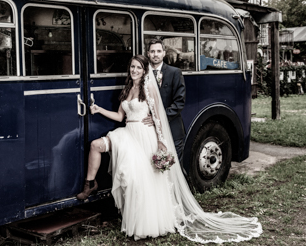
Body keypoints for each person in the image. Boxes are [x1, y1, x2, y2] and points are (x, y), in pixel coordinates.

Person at [76, 54, 262, 243]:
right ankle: (90, 184)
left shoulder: (148, 88)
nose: (134, 71)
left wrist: (161, 141)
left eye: (139, 68)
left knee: (140, 180)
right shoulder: (128, 88)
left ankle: (145, 224)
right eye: (132, 67)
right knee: (97, 147)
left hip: (144, 135)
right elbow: (118, 116)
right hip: (128, 132)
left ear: (145, 70)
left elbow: (157, 117)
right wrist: (99, 109)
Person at [144, 39, 186, 172]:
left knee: (174, 168)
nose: (155, 54)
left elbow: (179, 102)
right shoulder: (142, 73)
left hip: (172, 128)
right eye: (152, 51)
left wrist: (157, 118)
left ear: (164, 53)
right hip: (150, 131)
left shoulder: (175, 72)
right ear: (148, 54)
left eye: (158, 51)